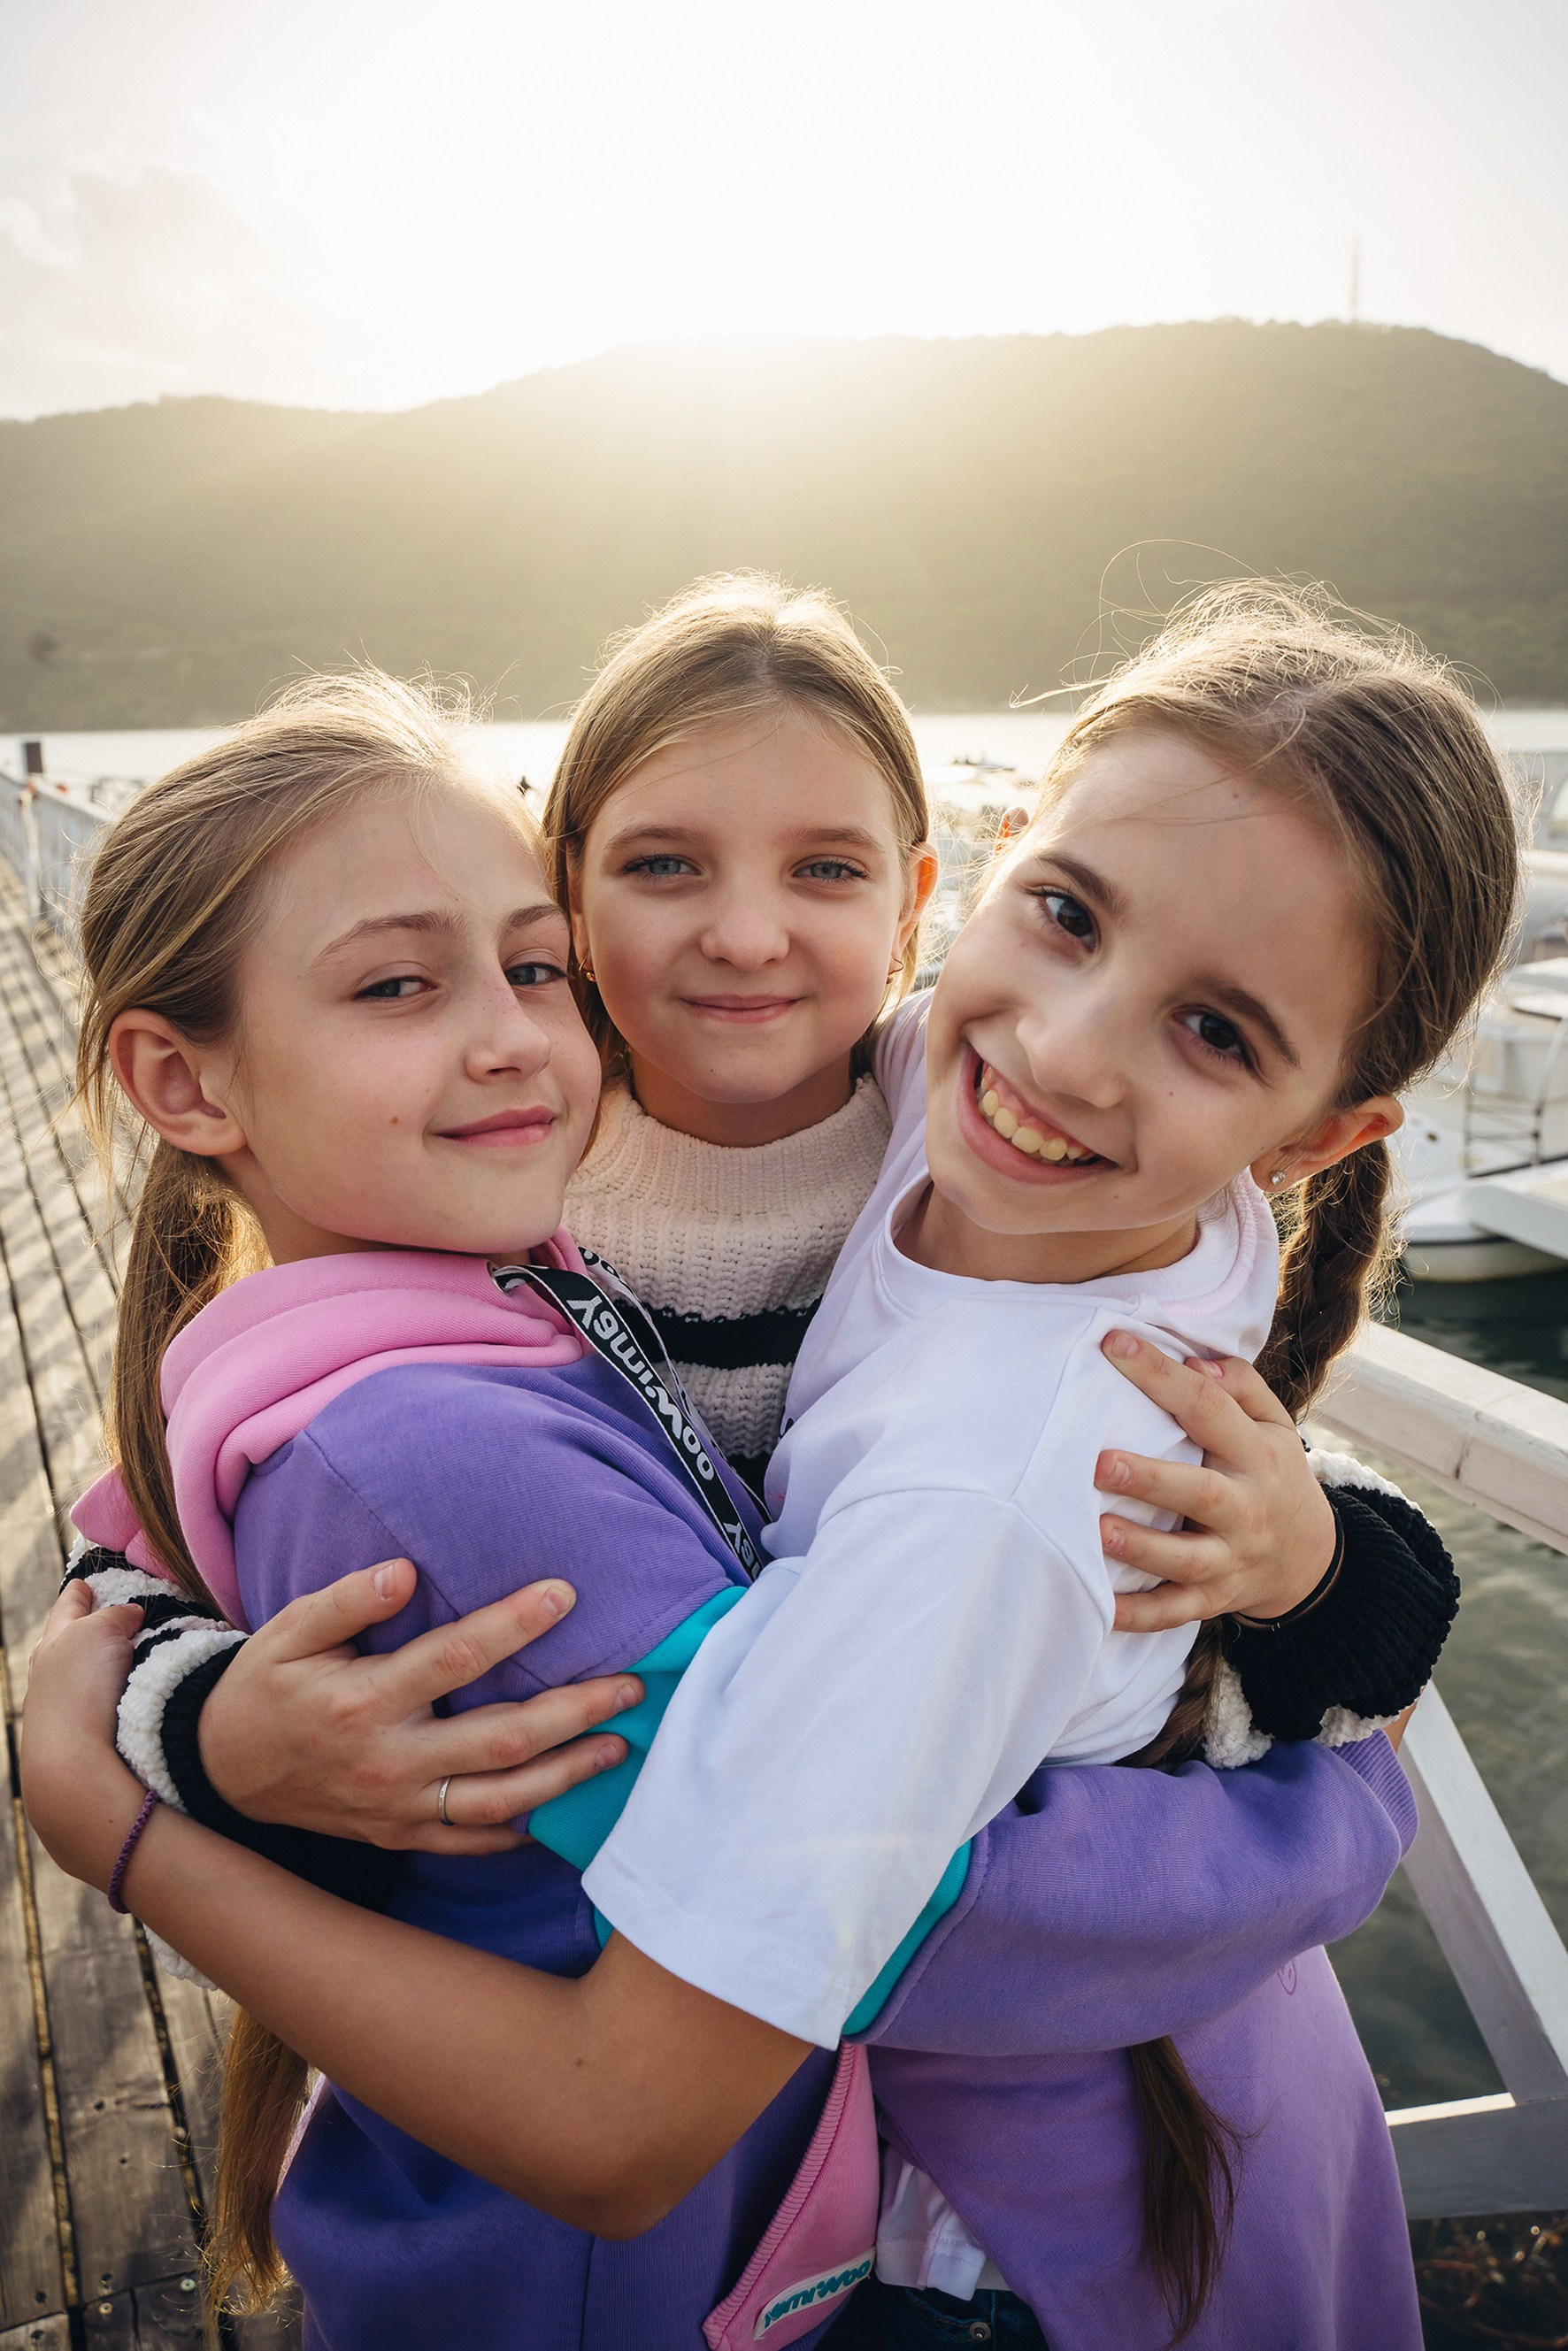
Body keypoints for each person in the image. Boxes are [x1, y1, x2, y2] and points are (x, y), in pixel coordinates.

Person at [23, 588, 1499, 2348]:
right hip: (818, 2069)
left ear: (917, 896)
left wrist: (1328, 1575)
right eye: (656, 870)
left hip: (1022, 2096)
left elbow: (1180, 1426)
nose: (743, 937)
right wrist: (195, 1730)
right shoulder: (495, 1182)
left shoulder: (945, 1131)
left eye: (823, 870)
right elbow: (188, 1484)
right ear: (566, 887)